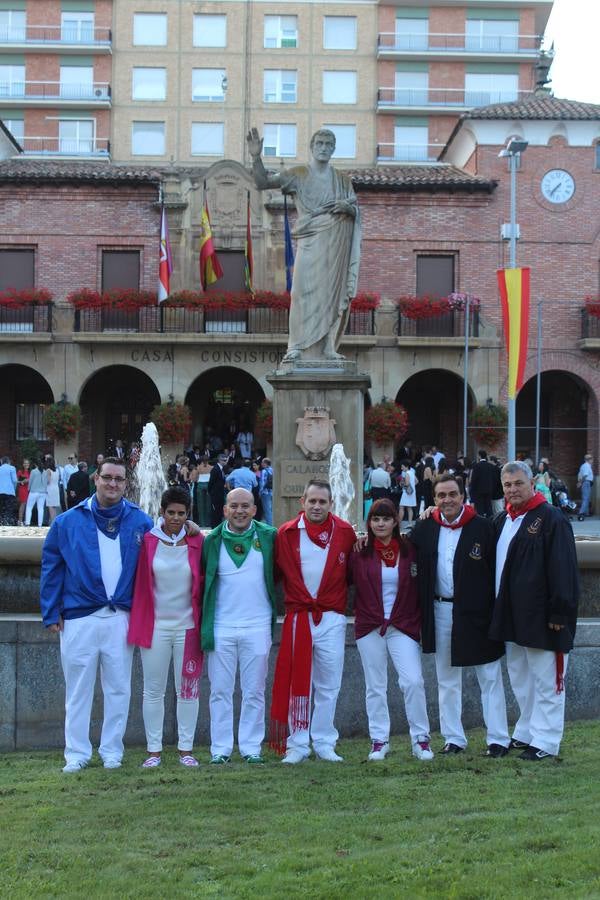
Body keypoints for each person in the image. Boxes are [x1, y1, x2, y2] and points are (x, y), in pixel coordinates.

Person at [40, 457, 153, 773]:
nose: (113, 484)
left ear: (125, 484)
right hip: (79, 617)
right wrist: (51, 612)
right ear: (96, 479)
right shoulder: (67, 522)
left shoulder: (141, 521)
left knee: (119, 688)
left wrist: (189, 528)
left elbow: (163, 553)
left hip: (120, 616)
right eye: (107, 478)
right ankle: (76, 753)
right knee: (78, 690)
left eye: (119, 479)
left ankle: (111, 752)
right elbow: (51, 568)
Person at [411, 474, 510, 757]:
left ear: (463, 495)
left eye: (452, 494)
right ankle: (454, 738)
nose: (447, 500)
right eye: (441, 495)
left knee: (489, 677)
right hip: (440, 610)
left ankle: (498, 740)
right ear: (434, 499)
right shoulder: (426, 528)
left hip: (477, 613)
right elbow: (401, 548)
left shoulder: (484, 527)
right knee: (447, 678)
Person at [247, 127, 361, 362]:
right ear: (311, 146)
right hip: (310, 243)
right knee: (300, 294)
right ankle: (295, 346)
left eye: (329, 144)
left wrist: (349, 209)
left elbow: (355, 210)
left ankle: (328, 347)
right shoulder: (298, 174)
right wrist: (256, 157)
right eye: (319, 143)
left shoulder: (343, 180)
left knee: (332, 295)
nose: (324, 148)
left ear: (334, 149)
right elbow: (262, 182)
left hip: (336, 244)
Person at [490, 461, 579, 760]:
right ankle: (527, 731)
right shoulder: (504, 520)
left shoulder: (551, 518)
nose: (513, 489)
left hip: (544, 617)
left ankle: (546, 741)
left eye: (518, 483)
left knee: (547, 679)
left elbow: (564, 568)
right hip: (512, 616)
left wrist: (559, 612)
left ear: (532, 484)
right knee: (520, 676)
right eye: (507, 485)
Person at [270, 479, 356, 763]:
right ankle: (297, 744)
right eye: (312, 501)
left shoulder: (344, 532)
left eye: (322, 501)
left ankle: (324, 741)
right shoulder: (286, 534)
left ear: (331, 504)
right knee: (299, 683)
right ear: (302, 502)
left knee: (329, 683)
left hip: (331, 616)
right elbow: (272, 574)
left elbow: (355, 572)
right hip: (299, 617)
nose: (317, 506)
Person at [349, 498, 434, 762]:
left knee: (413, 681)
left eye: (386, 518)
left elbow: (431, 525)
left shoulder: (410, 549)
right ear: (369, 523)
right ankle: (379, 740)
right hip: (370, 625)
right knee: (375, 686)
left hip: (403, 624)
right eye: (375, 519)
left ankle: (420, 739)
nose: (381, 523)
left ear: (396, 521)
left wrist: (431, 510)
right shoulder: (360, 551)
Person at [128, 487, 204, 768]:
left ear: (188, 515)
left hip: (188, 628)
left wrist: (194, 530)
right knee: (153, 690)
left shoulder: (197, 542)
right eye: (170, 512)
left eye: (181, 513)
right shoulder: (149, 541)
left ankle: (186, 749)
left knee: (188, 690)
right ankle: (154, 751)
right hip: (156, 627)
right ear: (162, 512)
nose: (175, 518)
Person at [201, 488, 277, 764]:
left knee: (254, 690)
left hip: (257, 626)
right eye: (234, 506)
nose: (240, 511)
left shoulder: (269, 537)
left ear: (255, 510)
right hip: (221, 625)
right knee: (220, 690)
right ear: (224, 510)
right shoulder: (211, 541)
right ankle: (220, 748)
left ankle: (250, 747)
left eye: (245, 506)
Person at [469, 450, 498, 518]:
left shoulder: (476, 466)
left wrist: (472, 491)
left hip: (479, 491)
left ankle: (481, 523)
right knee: (489, 508)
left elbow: (474, 480)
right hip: (489, 490)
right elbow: (494, 479)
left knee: (480, 509)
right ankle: (490, 521)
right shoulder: (490, 466)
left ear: (479, 456)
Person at [208, 453, 228, 528]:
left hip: (220, 493)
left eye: (226, 460)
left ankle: (218, 526)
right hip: (215, 494)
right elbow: (211, 482)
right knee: (215, 511)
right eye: (224, 460)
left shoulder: (221, 469)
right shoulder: (215, 469)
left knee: (219, 510)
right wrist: (211, 492)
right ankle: (214, 527)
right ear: (219, 460)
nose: (225, 462)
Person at [25, 459, 47, 526]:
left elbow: (30, 481)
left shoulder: (33, 471)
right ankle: (40, 524)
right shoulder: (45, 471)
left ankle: (27, 523)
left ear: (35, 465)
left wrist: (28, 489)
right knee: (40, 508)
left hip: (34, 491)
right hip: (43, 492)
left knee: (29, 507)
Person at [0, 454, 18, 525]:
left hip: (0, 491)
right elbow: (14, 480)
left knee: (1, 507)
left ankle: (1, 521)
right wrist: (14, 489)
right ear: (8, 461)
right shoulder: (12, 468)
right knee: (9, 507)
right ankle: (7, 521)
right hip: (10, 491)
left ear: (2, 461)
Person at [576, 453, 594, 520]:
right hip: (586, 482)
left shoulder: (584, 466)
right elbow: (585, 475)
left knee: (586, 498)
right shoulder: (587, 466)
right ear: (589, 460)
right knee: (586, 498)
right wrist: (580, 483)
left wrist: (580, 482)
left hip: (586, 483)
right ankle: (581, 513)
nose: (592, 461)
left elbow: (580, 475)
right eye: (591, 459)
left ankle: (586, 513)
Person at [45, 456, 61, 524]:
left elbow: (48, 481)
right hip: (56, 488)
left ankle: (52, 523)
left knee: (50, 506)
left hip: (50, 488)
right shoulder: (57, 470)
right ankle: (54, 522)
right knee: (54, 507)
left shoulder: (48, 470)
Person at [259, 457, 274, 525]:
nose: (261, 463)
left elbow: (262, 482)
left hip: (265, 493)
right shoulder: (273, 470)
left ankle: (270, 526)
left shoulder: (264, 471)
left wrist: (260, 492)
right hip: (272, 492)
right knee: (271, 510)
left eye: (262, 462)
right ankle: (272, 523)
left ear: (265, 463)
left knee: (267, 510)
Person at [16, 457, 30, 525]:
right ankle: (20, 520)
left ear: (29, 464)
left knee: (28, 505)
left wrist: (28, 480)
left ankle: (26, 520)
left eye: (27, 463)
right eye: (25, 463)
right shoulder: (20, 472)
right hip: (22, 489)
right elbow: (16, 481)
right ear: (23, 464)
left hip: (29, 490)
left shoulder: (31, 472)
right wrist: (21, 481)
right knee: (23, 504)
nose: (26, 464)